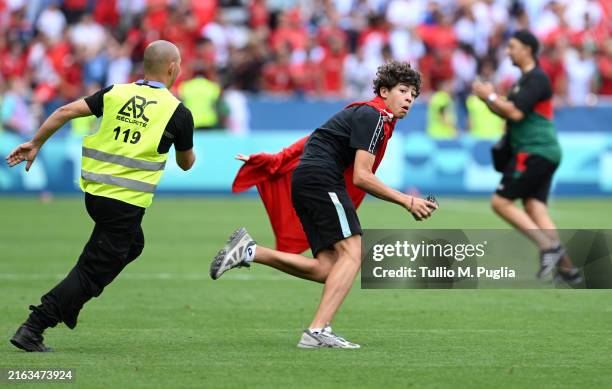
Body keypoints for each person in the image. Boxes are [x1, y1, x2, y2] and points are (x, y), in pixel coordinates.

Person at [210, 61, 437, 349]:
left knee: (329, 269)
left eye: (414, 95)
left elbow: (314, 137)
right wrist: (407, 200)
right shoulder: (374, 116)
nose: (409, 99)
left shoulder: (367, 115)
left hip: (310, 181)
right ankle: (317, 331)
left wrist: (277, 159)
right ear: (383, 91)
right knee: (353, 253)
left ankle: (250, 251)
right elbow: (362, 176)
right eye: (403, 91)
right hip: (321, 180)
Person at [6, 40, 196, 352]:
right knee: (92, 269)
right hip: (126, 202)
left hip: (96, 194)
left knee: (133, 245)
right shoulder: (178, 112)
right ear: (173, 68)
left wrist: (35, 142)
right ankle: (36, 325)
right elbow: (185, 164)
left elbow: (66, 110)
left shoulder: (115, 93)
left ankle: (74, 300)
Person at [471, 30, 581, 284]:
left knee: (500, 203)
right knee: (535, 208)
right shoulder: (524, 81)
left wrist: (488, 95)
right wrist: (489, 98)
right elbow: (507, 112)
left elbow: (516, 114)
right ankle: (569, 271)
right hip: (543, 150)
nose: (508, 51)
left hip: (534, 149)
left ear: (528, 50)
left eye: (513, 46)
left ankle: (549, 248)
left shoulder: (536, 78)